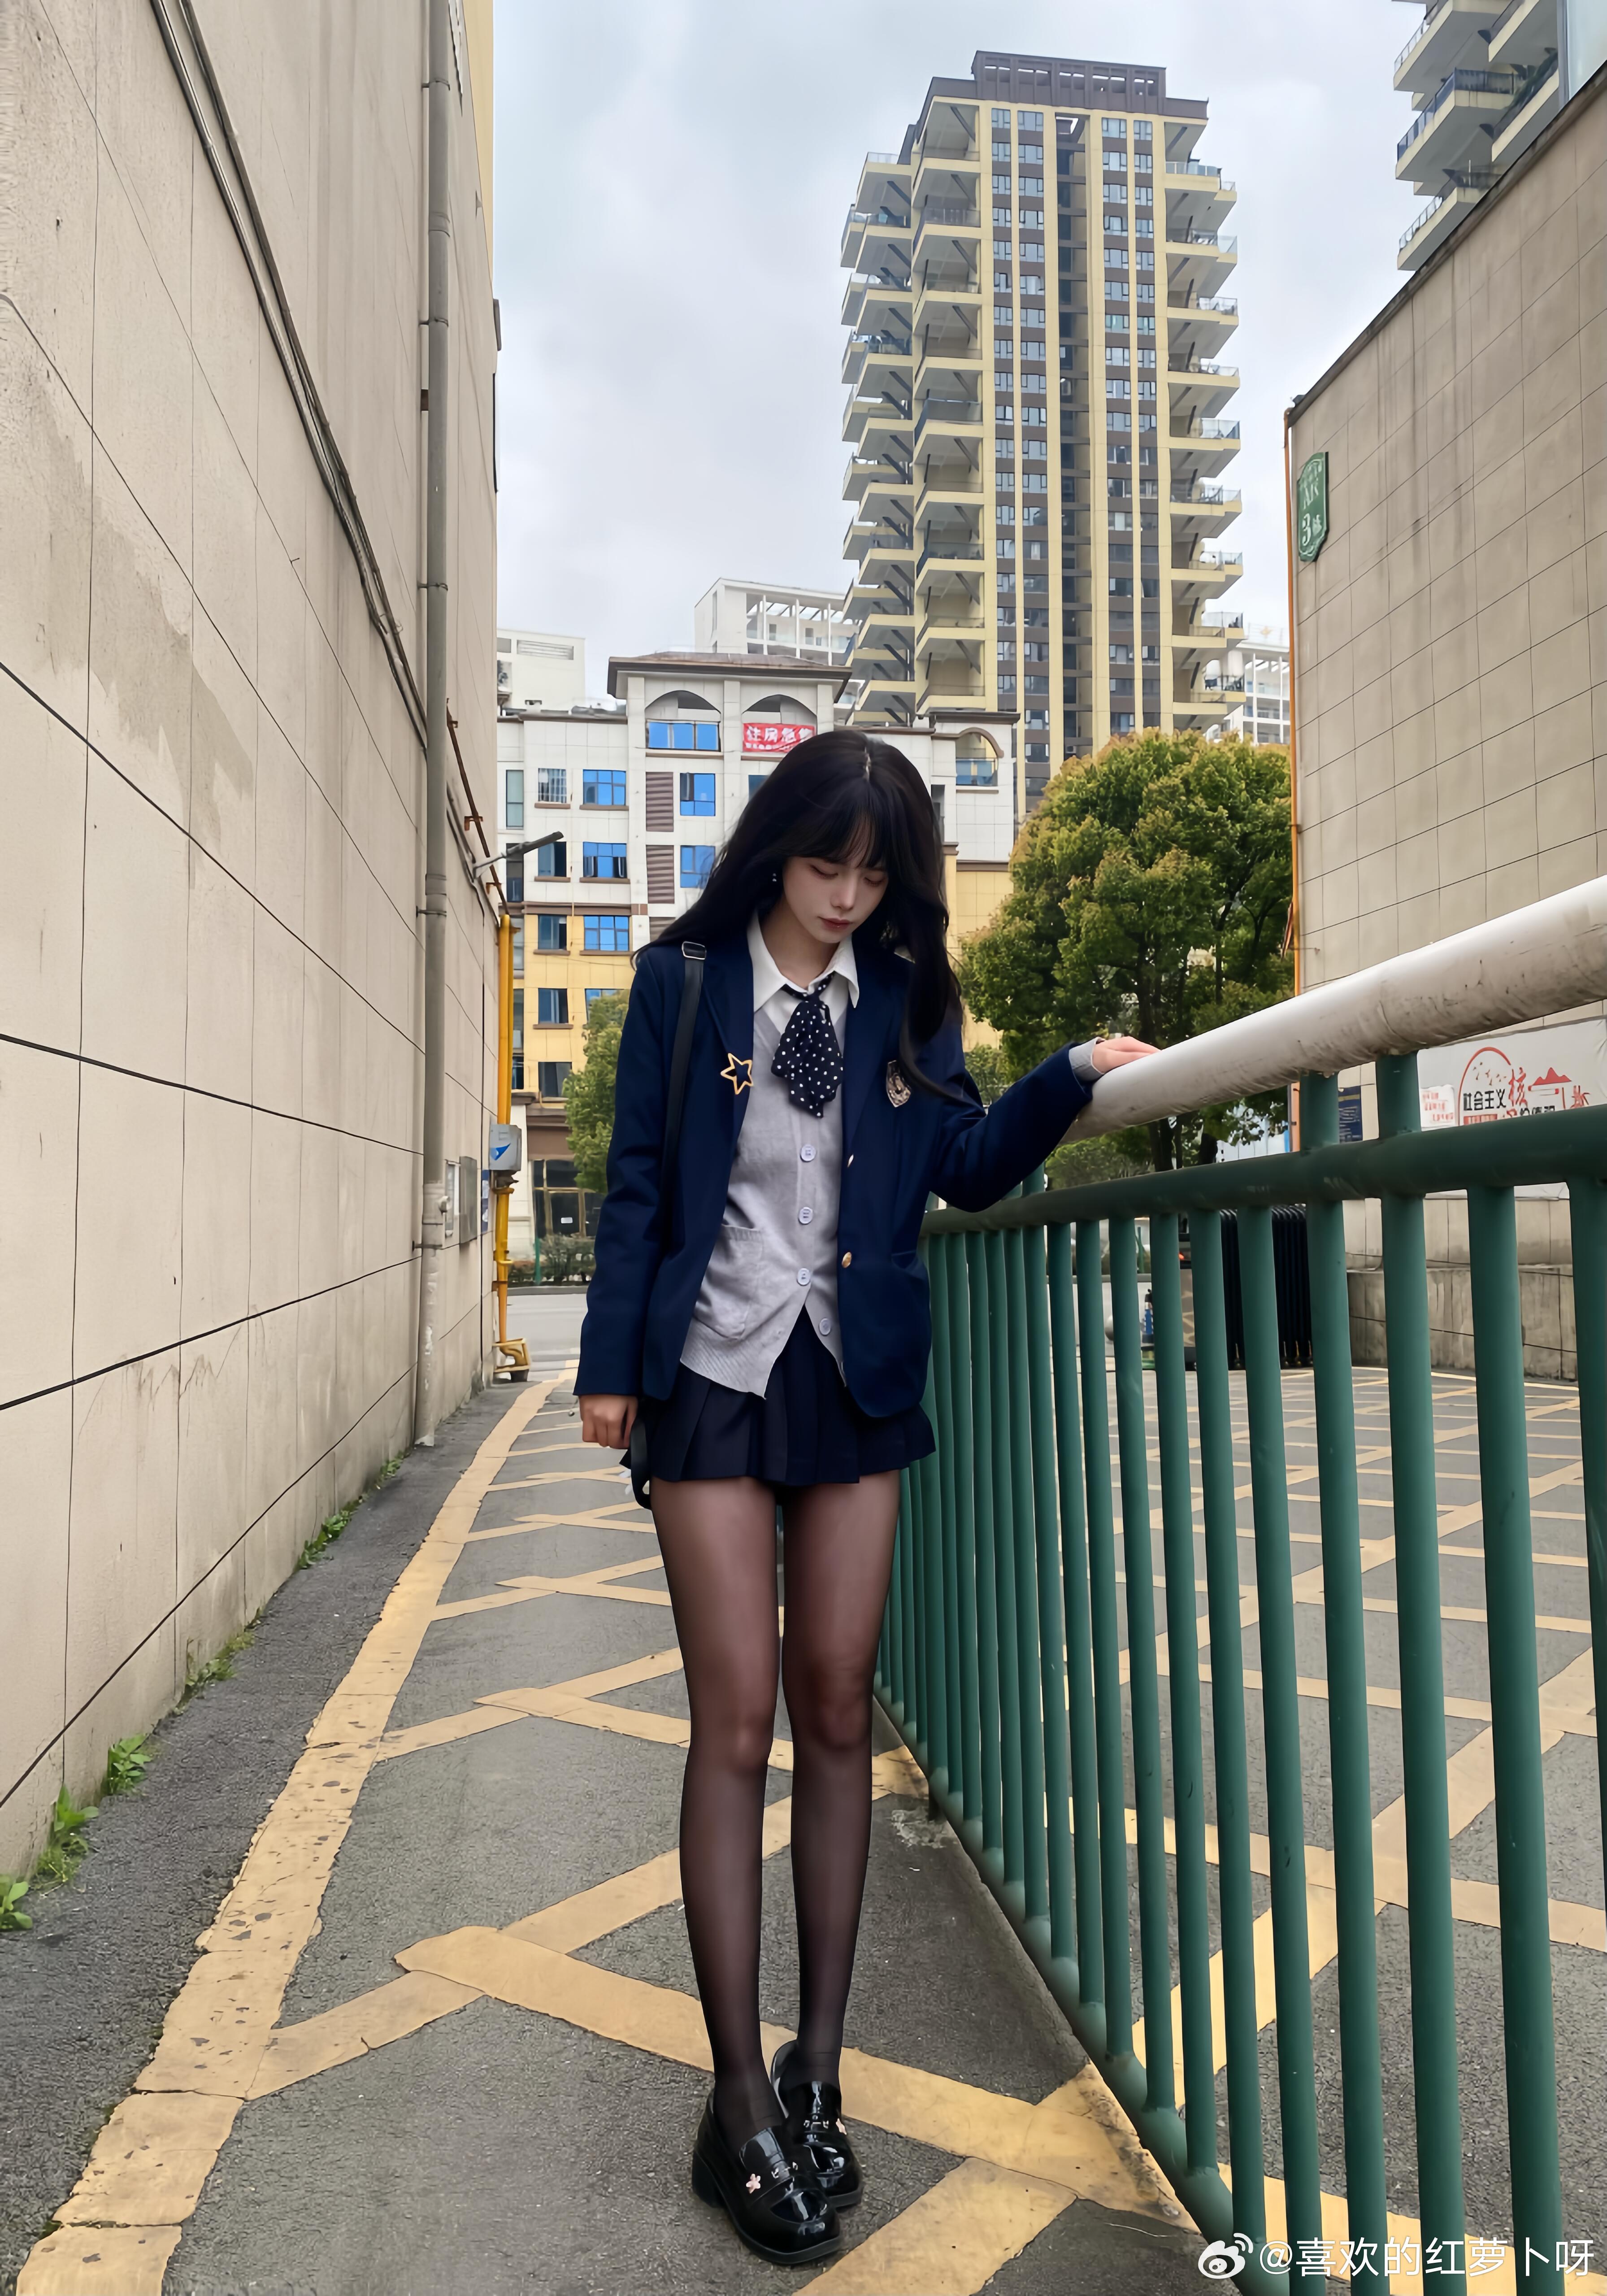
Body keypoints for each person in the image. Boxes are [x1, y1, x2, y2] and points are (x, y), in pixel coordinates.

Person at [575, 728, 1155, 2265]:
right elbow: (635, 1183)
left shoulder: (901, 995)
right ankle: (736, 2105)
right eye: (827, 865)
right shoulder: (684, 985)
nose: (846, 896)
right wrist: (607, 1366)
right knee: (737, 1718)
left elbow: (964, 1165)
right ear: (777, 850)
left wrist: (1068, 1077)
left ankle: (817, 2076)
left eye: (874, 875)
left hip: (855, 1374)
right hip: (710, 1369)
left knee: (837, 1705)